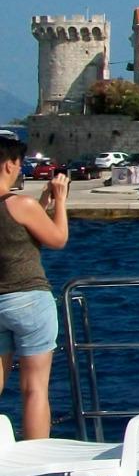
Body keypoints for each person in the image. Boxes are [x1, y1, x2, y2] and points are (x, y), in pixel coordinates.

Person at [0, 135, 68, 439]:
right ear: (8, 164)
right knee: (34, 389)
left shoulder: (24, 206)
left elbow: (15, 234)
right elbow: (57, 239)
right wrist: (60, 201)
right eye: (18, 163)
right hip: (29, 299)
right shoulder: (21, 203)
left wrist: (42, 204)